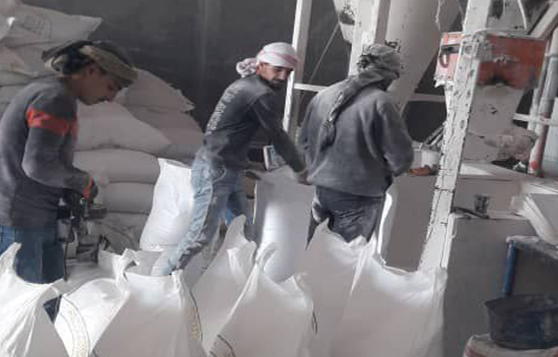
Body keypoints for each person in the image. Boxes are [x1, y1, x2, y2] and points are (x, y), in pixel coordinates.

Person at [0, 40, 137, 318]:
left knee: (51, 300)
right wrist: (83, 182)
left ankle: (48, 345)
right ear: (91, 71)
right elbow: (37, 165)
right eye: (111, 87)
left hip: (33, 218)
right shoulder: (54, 99)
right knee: (26, 312)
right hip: (15, 221)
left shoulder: (55, 95)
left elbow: (48, 163)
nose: (111, 98)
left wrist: (69, 192)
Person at [151, 42, 306, 278]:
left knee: (243, 232)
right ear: (261, 65)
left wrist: (245, 164)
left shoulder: (243, 85)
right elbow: (279, 137)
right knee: (200, 236)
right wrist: (300, 170)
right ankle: (158, 283)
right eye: (278, 69)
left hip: (224, 167)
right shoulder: (259, 94)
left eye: (288, 72)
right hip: (215, 170)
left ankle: (231, 282)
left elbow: (227, 132)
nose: (283, 76)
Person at [299, 43, 413, 243]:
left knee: (315, 250)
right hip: (359, 195)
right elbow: (400, 157)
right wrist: (391, 170)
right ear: (388, 75)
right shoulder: (381, 102)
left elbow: (303, 141)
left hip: (321, 190)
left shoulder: (323, 95)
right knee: (347, 255)